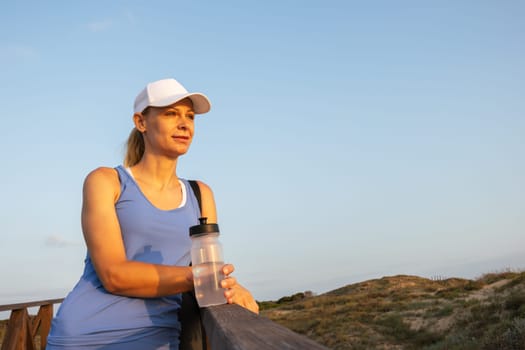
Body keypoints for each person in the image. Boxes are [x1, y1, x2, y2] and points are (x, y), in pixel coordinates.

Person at [47, 78, 259, 349]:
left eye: (190, 116)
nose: (184, 124)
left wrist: (229, 287)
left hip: (157, 337)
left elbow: (208, 268)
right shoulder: (106, 181)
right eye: (171, 114)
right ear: (141, 122)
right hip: (84, 336)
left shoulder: (200, 194)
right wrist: (202, 278)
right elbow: (114, 275)